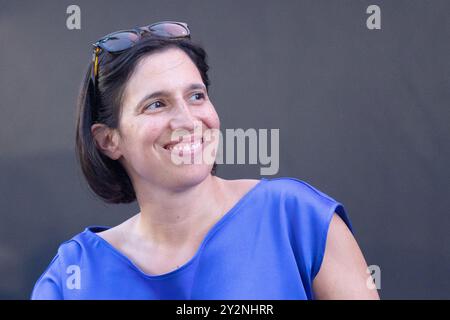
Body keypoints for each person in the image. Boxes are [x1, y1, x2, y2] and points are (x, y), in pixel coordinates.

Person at [31, 21, 379, 300]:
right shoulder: (73, 274)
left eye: (196, 96)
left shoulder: (297, 218)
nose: (187, 120)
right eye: (156, 104)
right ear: (109, 140)